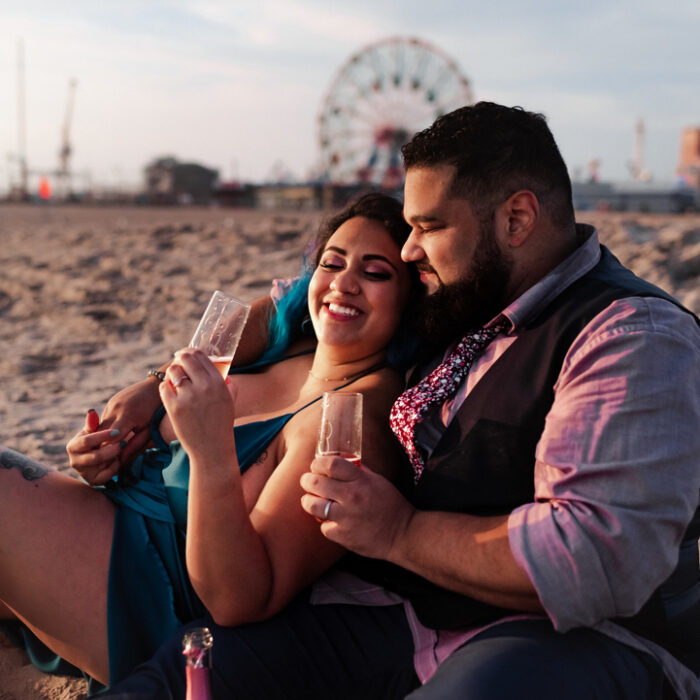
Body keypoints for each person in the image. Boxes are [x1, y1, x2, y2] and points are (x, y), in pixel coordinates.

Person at [104, 101, 700, 700]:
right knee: (177, 681)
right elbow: (298, 299)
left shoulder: (627, 336)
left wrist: (399, 532)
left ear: (517, 220)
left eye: (430, 227)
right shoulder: (465, 294)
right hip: (386, 610)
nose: (411, 250)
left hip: (563, 640)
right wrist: (156, 383)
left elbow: (595, 559)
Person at [0, 192, 418, 690]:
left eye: (376, 273)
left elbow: (241, 600)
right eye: (332, 262)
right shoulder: (291, 342)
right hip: (102, 530)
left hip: (147, 597)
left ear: (413, 299)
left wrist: (210, 454)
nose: (344, 283)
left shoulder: (351, 419)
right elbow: (267, 310)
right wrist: (114, 439)